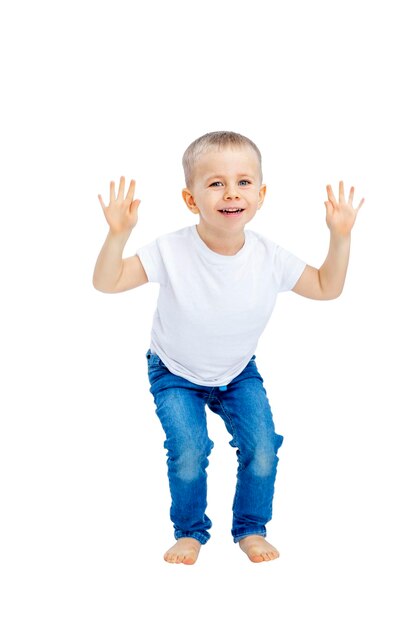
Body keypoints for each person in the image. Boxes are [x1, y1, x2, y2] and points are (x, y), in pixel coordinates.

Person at [93, 131, 364, 565]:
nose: (231, 192)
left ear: (261, 194)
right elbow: (107, 283)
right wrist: (117, 235)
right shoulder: (170, 249)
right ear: (190, 198)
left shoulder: (270, 257)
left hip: (237, 373)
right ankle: (190, 532)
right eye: (216, 183)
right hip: (175, 371)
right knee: (189, 449)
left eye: (243, 182)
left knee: (261, 446)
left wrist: (341, 238)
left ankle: (251, 528)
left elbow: (326, 287)